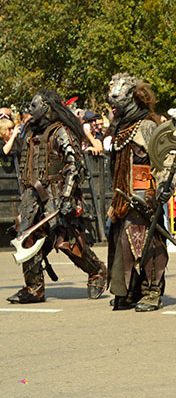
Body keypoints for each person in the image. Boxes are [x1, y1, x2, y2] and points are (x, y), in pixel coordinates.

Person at [6, 89, 107, 304]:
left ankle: (97, 270)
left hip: (57, 195)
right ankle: (34, 288)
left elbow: (75, 165)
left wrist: (67, 196)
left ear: (46, 107)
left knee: (67, 241)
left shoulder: (61, 131)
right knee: (27, 239)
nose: (30, 111)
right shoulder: (30, 133)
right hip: (31, 198)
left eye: (34, 106)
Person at [106, 73, 174, 312]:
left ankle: (152, 290)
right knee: (121, 241)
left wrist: (164, 185)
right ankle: (129, 290)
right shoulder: (121, 126)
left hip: (144, 193)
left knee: (145, 240)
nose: (115, 108)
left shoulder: (147, 125)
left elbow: (165, 159)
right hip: (122, 195)